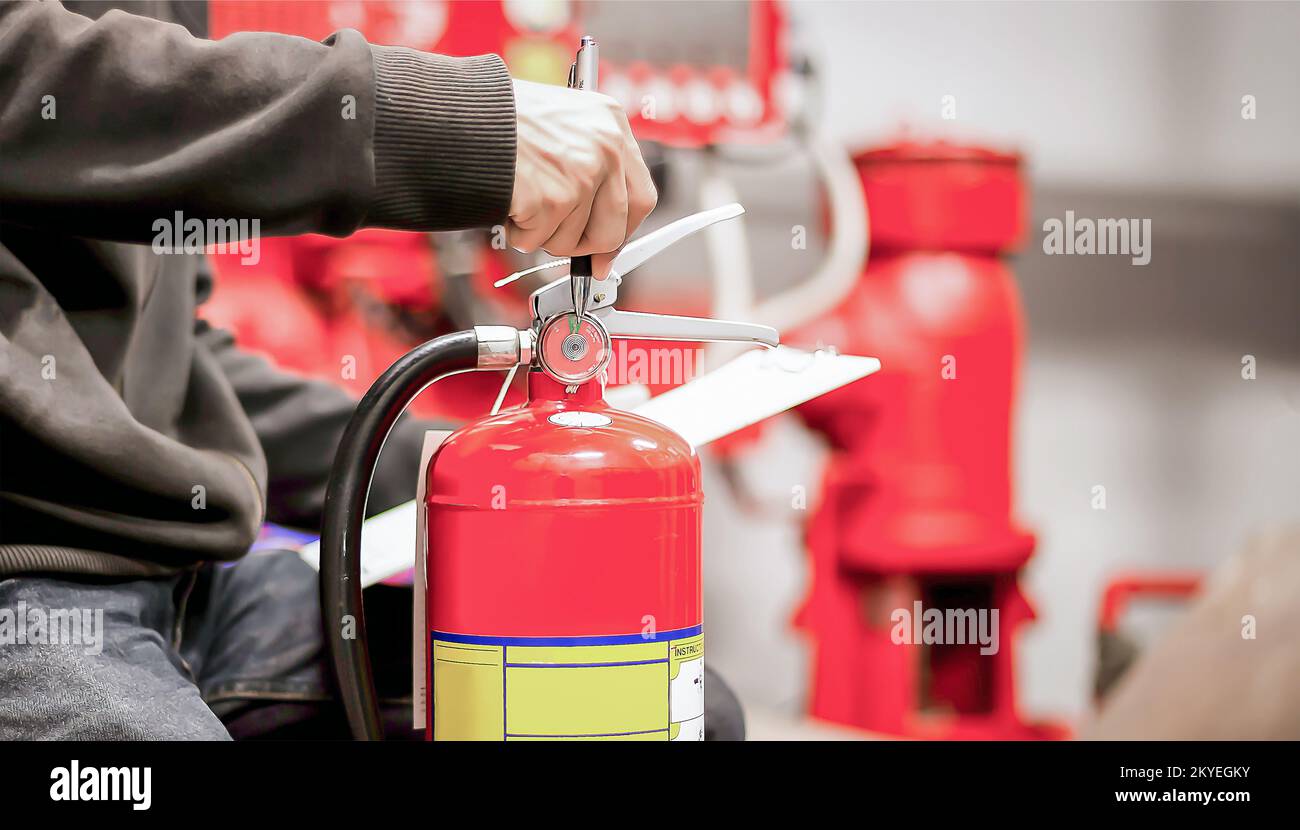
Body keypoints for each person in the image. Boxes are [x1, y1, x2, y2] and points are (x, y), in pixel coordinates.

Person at [0, 0, 744, 740]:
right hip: (26, 583)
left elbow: (163, 368)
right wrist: (461, 128)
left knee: (670, 708)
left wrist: (457, 468)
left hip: (186, 586)